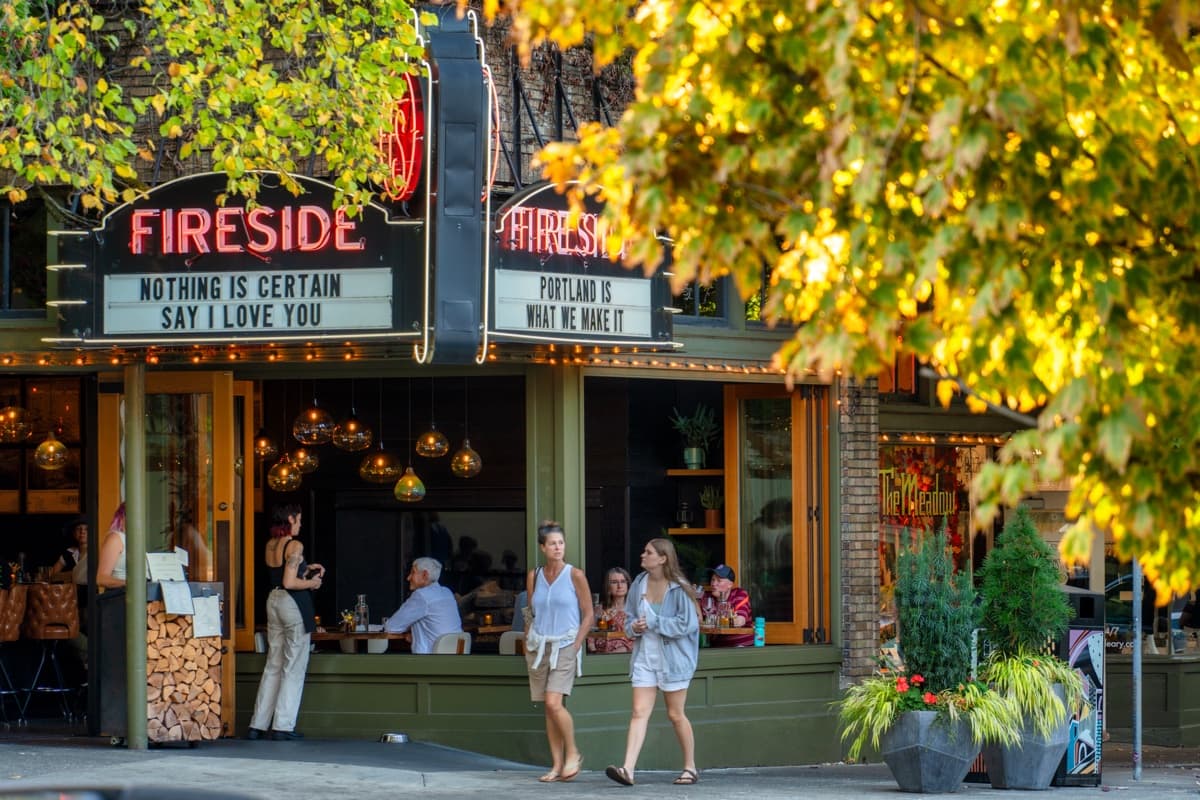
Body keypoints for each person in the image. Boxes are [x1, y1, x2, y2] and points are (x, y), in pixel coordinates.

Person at [605, 538, 701, 787]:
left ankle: (690, 767)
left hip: (674, 660)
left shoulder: (679, 588)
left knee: (675, 714)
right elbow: (629, 620)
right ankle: (628, 769)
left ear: (663, 558)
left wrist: (654, 622)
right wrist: (634, 627)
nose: (642, 555)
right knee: (638, 713)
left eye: (648, 552)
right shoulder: (638, 582)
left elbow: (687, 625)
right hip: (645, 657)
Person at [247, 504, 325, 741]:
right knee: (294, 666)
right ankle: (283, 726)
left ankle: (257, 725)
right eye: (299, 520)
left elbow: (281, 575)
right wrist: (312, 583)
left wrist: (306, 568)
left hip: (273, 601)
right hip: (292, 604)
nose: (300, 524)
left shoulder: (271, 544)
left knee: (273, 664)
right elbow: (290, 582)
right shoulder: (295, 544)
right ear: (290, 519)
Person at [524, 520, 594, 783]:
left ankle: (573, 753)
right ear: (543, 547)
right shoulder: (534, 575)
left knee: (554, 703)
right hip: (539, 645)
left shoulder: (575, 574)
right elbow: (530, 610)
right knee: (549, 708)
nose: (558, 547)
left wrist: (576, 644)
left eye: (561, 543)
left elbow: (589, 614)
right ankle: (556, 765)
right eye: (552, 543)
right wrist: (526, 637)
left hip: (565, 643)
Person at [383, 557, 463, 653]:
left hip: (429, 663)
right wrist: (415, 633)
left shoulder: (422, 595)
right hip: (455, 661)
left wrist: (411, 632)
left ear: (425, 574)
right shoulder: (447, 592)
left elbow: (391, 627)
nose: (408, 578)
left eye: (413, 572)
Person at [702, 564, 753, 647]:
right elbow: (699, 621)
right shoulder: (708, 598)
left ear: (730, 584)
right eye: (712, 580)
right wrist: (695, 599)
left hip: (742, 646)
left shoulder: (739, 594)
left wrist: (713, 621)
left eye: (719, 581)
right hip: (717, 648)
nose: (714, 584)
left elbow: (740, 621)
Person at [588, 567, 635, 654]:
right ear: (608, 587)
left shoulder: (635, 610)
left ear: (628, 585)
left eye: (623, 581)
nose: (619, 586)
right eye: (614, 582)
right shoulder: (600, 610)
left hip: (627, 657)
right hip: (602, 658)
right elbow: (590, 637)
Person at [95, 503, 127, 590]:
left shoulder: (136, 541)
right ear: (123, 517)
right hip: (119, 597)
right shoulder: (116, 538)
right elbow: (101, 579)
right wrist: (131, 583)